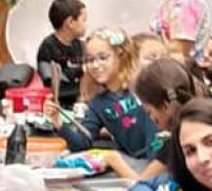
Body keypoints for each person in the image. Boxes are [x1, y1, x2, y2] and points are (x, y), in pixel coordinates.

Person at [43, 28, 161, 159]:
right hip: (139, 164)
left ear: (121, 56)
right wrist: (58, 121)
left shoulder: (142, 87)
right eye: (90, 60)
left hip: (161, 160)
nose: (95, 65)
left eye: (103, 58)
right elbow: (82, 143)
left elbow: (160, 136)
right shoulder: (98, 104)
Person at [36, 0, 87, 106]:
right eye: (84, 20)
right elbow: (53, 82)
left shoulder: (80, 45)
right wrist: (81, 69)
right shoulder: (48, 47)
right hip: (59, 105)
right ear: (71, 22)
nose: (86, 25)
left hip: (81, 102)